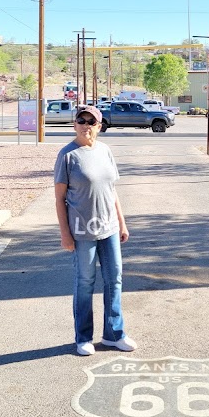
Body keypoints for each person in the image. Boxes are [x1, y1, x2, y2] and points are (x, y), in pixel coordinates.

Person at [54, 105, 137, 356]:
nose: (86, 125)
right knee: (85, 282)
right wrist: (65, 234)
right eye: (81, 120)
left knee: (114, 279)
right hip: (81, 231)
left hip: (109, 227)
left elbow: (112, 191)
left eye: (91, 121)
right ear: (75, 124)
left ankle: (114, 334)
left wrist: (122, 223)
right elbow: (59, 199)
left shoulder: (105, 151)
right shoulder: (68, 155)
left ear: (99, 126)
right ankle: (83, 337)